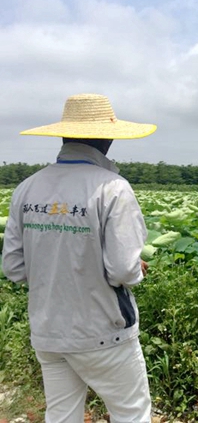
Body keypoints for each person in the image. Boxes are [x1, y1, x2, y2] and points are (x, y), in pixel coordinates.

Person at [1, 93, 157, 423]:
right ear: (108, 138)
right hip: (103, 331)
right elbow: (123, 269)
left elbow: (14, 267)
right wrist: (135, 270)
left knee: (61, 414)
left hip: (48, 332)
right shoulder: (113, 188)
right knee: (132, 414)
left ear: (64, 134)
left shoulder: (27, 188)